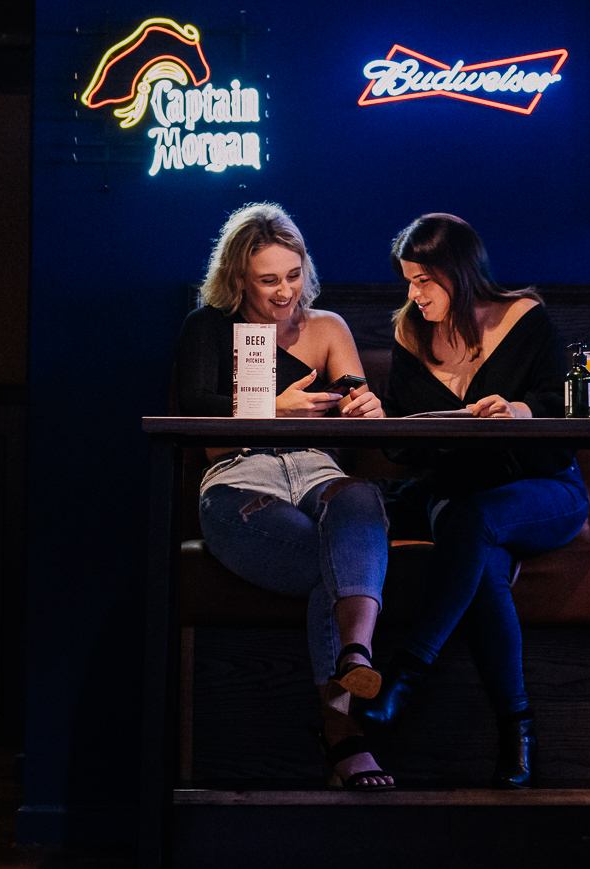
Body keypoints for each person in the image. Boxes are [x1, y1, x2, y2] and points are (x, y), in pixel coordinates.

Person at [356, 214, 588, 790]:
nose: (413, 294)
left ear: (458, 274)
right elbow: (414, 453)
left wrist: (519, 411)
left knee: (478, 519)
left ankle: (407, 674)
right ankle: (517, 729)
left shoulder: (524, 317)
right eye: (408, 281)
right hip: (455, 494)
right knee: (476, 547)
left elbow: (565, 411)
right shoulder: (411, 332)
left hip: (544, 487)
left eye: (424, 282)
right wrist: (387, 424)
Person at [173, 203, 395, 790]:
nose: (284, 292)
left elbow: (358, 410)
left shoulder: (327, 327)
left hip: (314, 466)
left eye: (293, 276)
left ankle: (352, 663)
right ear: (239, 278)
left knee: (360, 500)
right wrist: (270, 407)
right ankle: (344, 722)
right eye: (269, 280)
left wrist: (364, 409)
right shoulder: (208, 326)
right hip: (240, 474)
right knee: (334, 563)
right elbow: (189, 411)